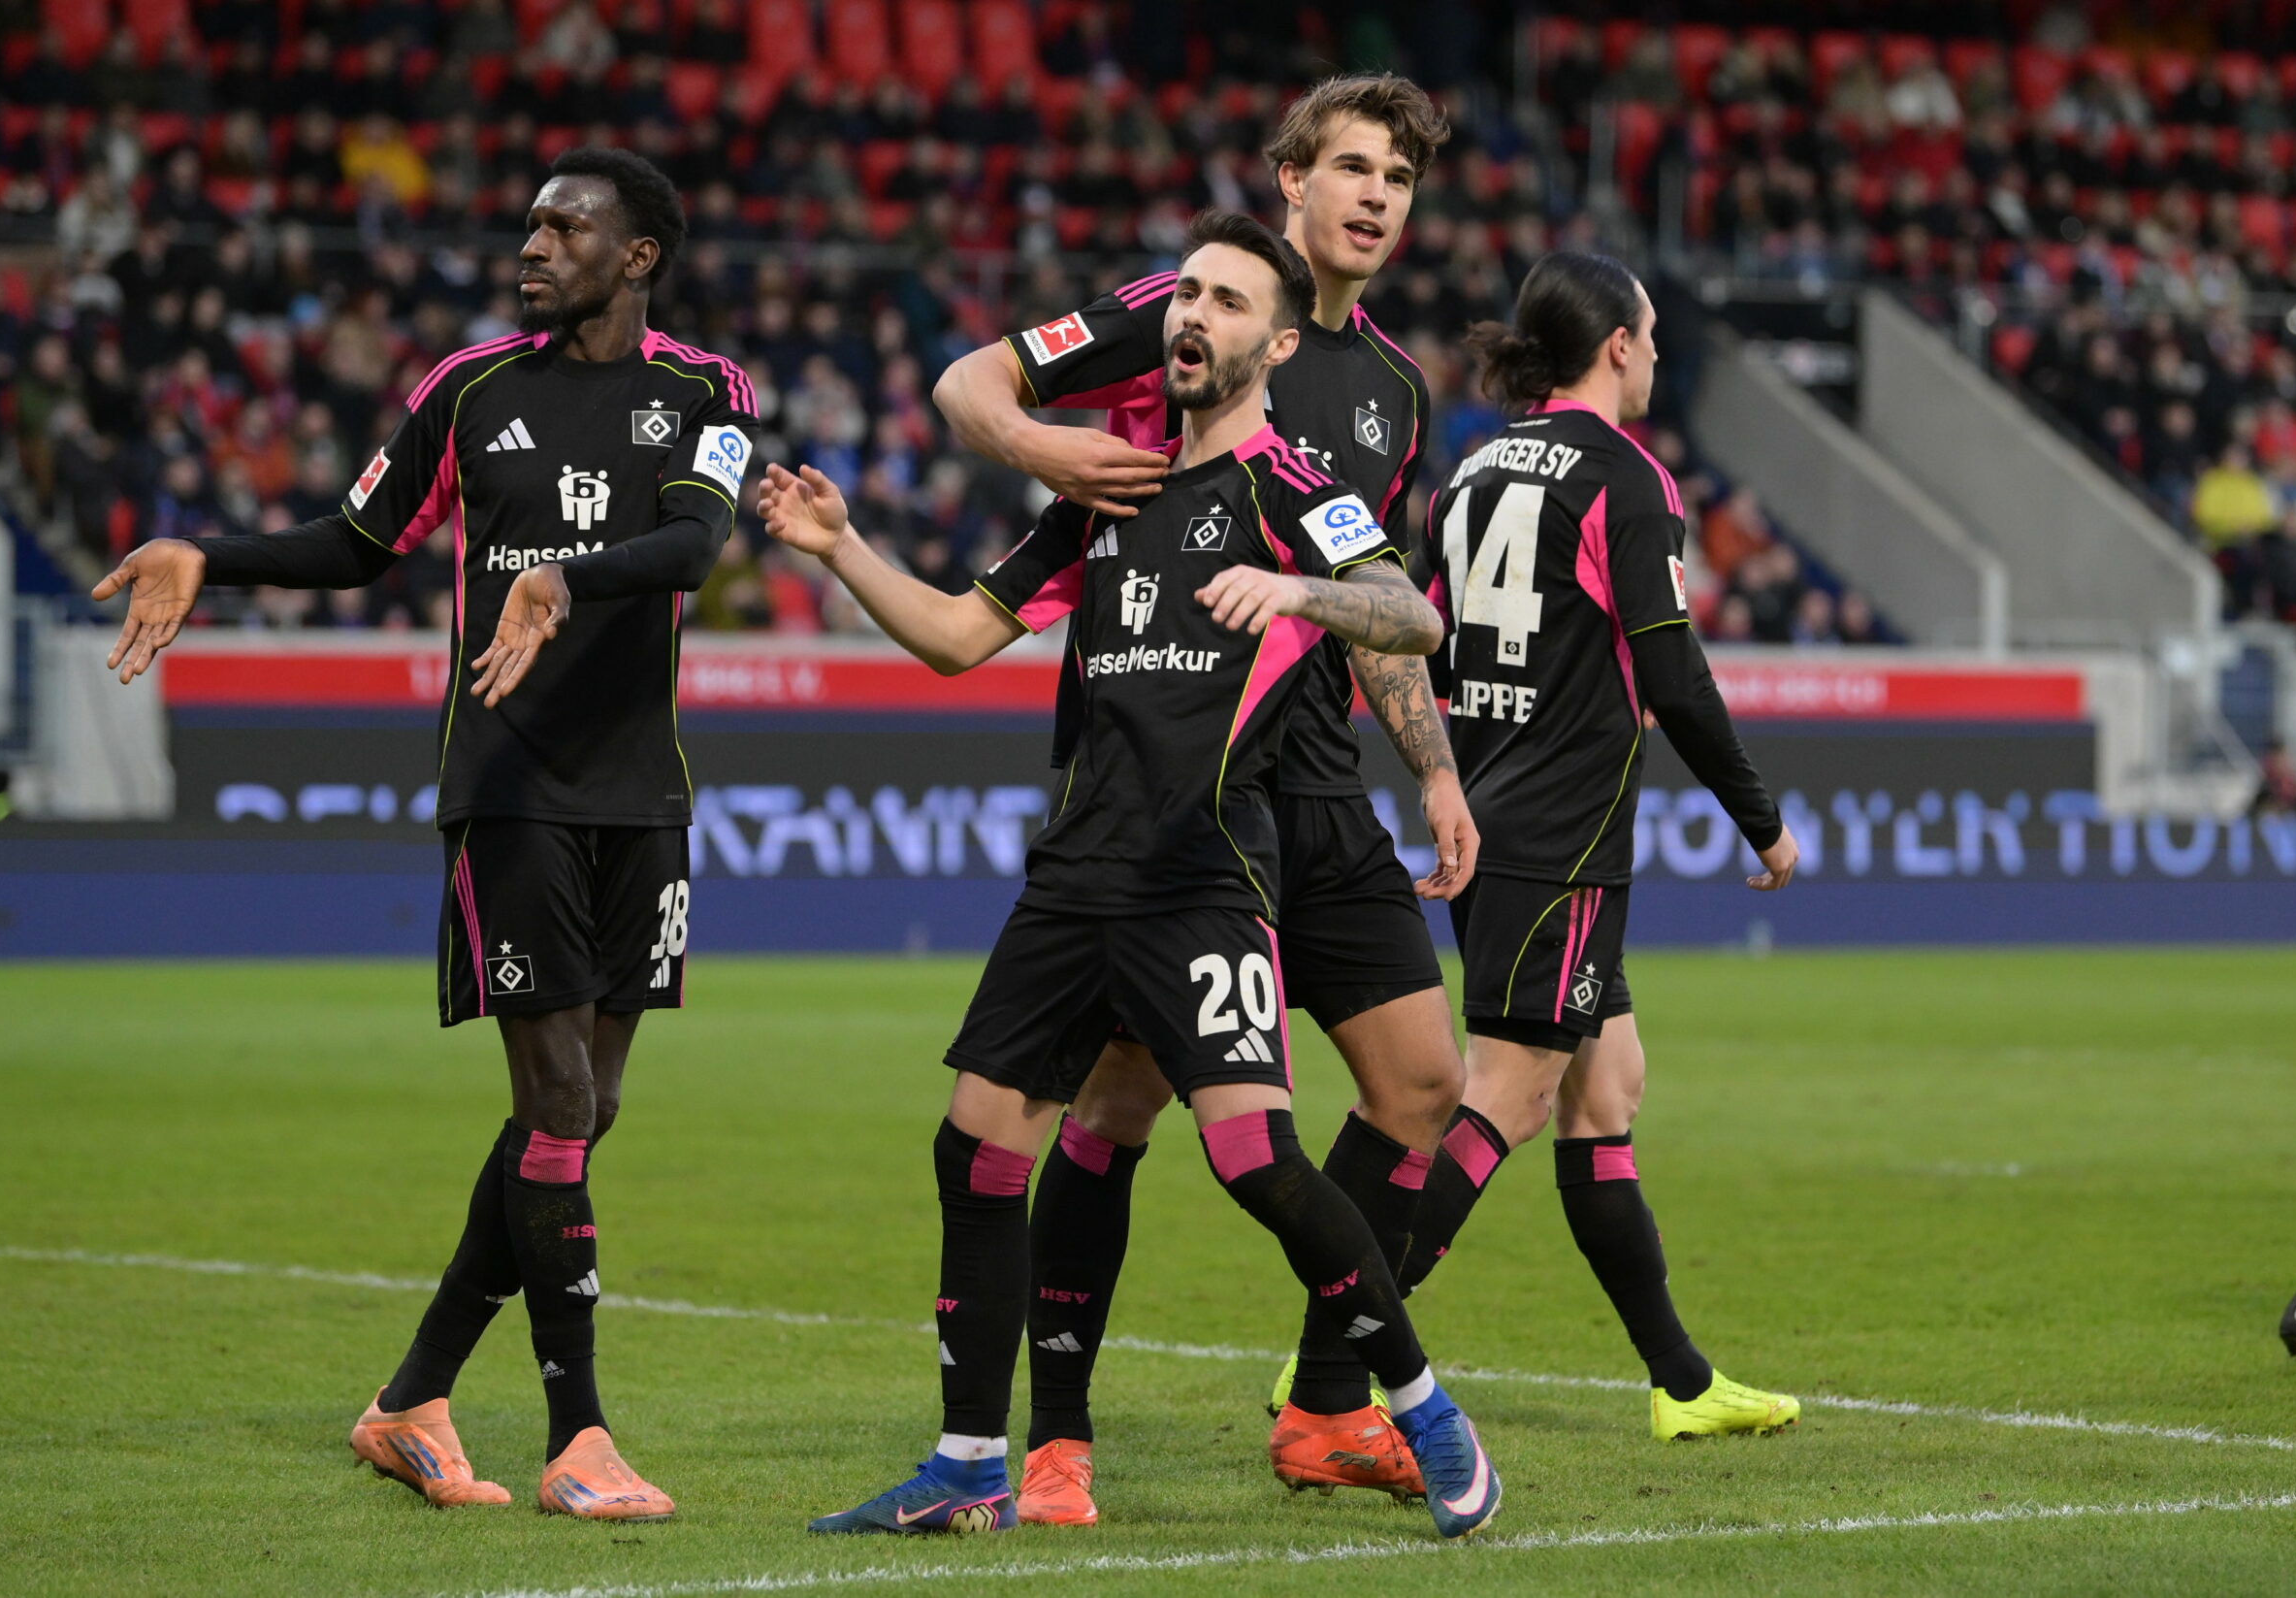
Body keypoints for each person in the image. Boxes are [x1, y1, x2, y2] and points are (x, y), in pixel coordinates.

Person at [767, 212, 1498, 1542]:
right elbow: (950, 637)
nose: (1193, 316)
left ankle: (1425, 1406)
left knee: (1254, 1157)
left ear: (1275, 342)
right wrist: (840, 550)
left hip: (1200, 876)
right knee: (978, 1144)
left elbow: (1413, 614)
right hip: (1072, 879)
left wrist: (1297, 593)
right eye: (1190, 295)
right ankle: (971, 1463)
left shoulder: (1293, 489)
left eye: (1227, 303)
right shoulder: (1106, 491)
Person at [89, 147, 759, 1520]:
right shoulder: (468, 391)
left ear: (637, 255)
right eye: (527, 222)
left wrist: (562, 577)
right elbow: (356, 538)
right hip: (506, 782)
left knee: (579, 1110)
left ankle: (410, 1398)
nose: (532, 242)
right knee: (561, 1106)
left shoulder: (706, 391)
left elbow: (696, 550)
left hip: (643, 791)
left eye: (565, 226)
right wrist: (210, 553)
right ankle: (581, 1435)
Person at [932, 72, 1473, 1520]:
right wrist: (1049, 450)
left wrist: (1430, 768)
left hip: (1324, 794)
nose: (1375, 197)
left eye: (1400, 181)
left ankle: (1324, 1404)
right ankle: (1055, 1439)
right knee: (1114, 1110)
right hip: (1182, 797)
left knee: (1422, 1088)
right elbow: (968, 382)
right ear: (1289, 174)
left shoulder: (1393, 391)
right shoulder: (1186, 300)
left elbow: (1373, 606)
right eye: (1350, 167)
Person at [1415, 251, 1802, 1442]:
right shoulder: (1628, 479)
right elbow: (1674, 671)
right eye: (1642, 333)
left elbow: (1428, 641)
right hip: (1562, 834)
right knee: (1510, 1098)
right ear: (1622, 346)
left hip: (1491, 812)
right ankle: (1332, 1360)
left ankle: (1681, 1385)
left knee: (1606, 1090)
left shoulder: (1474, 464)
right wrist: (1760, 815)